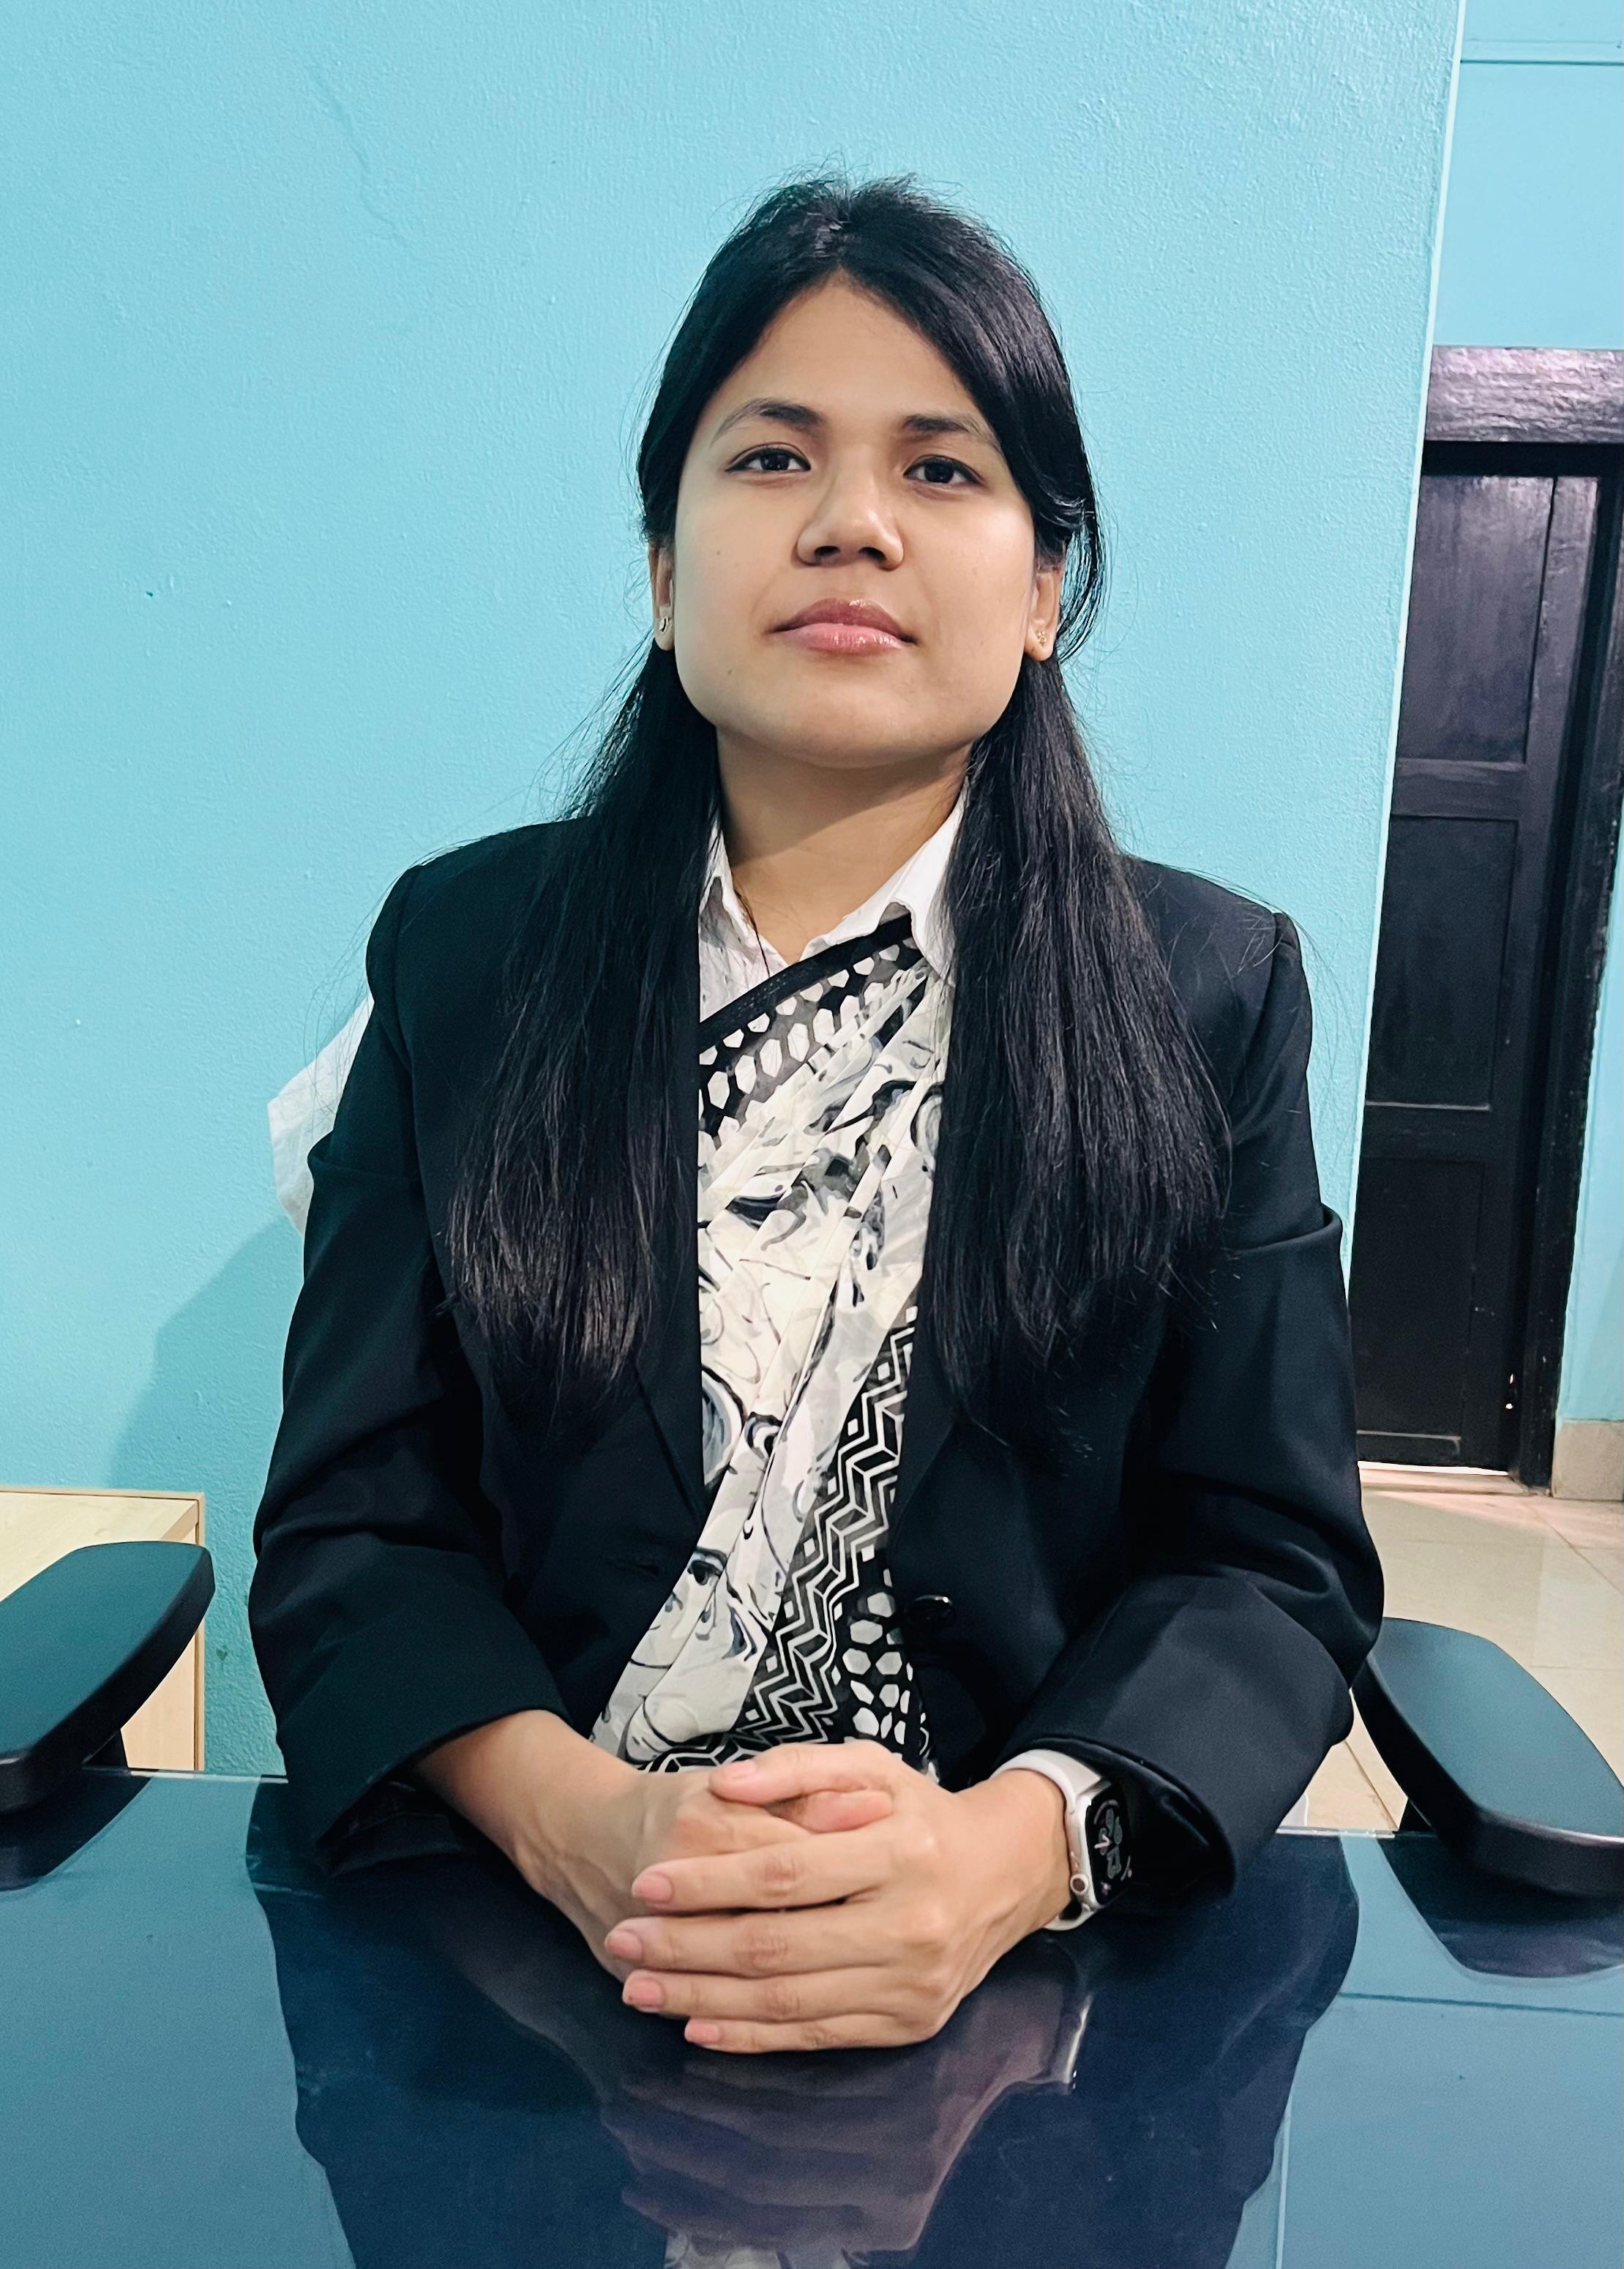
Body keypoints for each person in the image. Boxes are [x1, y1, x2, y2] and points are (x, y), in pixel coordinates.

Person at [249, 171, 1383, 2057]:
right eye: (772, 457)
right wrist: (584, 1830)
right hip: (519, 1974)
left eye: (941, 469)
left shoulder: (1206, 995)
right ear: (663, 568)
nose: (853, 521)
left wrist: (1001, 1860)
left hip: (1027, 2014)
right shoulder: (466, 959)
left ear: (1044, 590)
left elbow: (1267, 1558)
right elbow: (357, 1526)